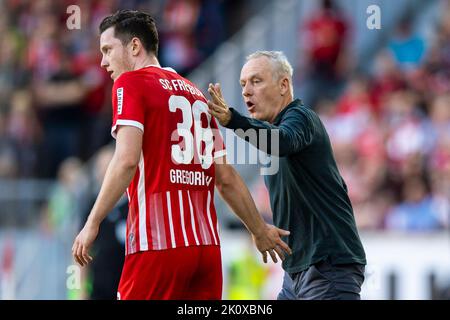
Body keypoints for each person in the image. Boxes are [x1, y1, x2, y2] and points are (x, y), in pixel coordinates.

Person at [72, 10, 291, 300]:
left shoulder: (130, 83)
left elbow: (125, 160)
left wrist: (93, 222)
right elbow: (224, 177)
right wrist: (258, 229)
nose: (103, 61)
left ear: (134, 46)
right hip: (206, 250)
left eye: (107, 50)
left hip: (157, 247)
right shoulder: (196, 95)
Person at [207, 51, 367, 300]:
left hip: (329, 266)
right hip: (296, 272)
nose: (246, 91)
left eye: (256, 81)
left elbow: (283, 141)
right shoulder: (270, 137)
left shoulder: (301, 118)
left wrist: (232, 120)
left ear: (284, 85)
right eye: (243, 84)